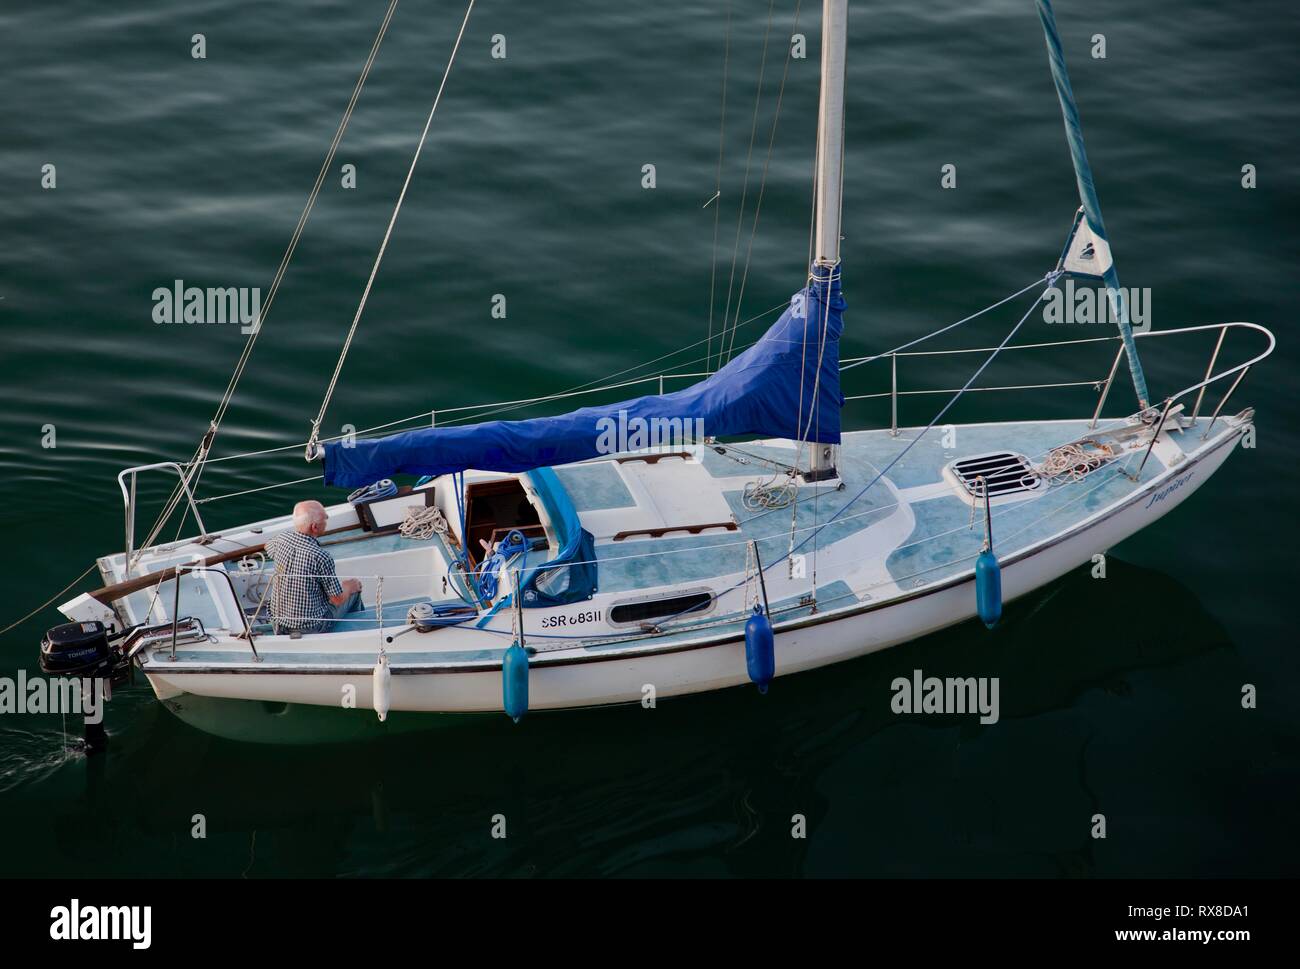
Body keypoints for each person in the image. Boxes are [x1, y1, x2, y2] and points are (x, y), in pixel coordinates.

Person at [264, 500, 363, 634]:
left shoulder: (281, 539)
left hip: (277, 622)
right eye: (325, 519)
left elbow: (267, 546)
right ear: (314, 527)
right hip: (309, 627)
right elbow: (337, 599)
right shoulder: (321, 556)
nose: (327, 520)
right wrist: (350, 586)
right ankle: (360, 631)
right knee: (354, 588)